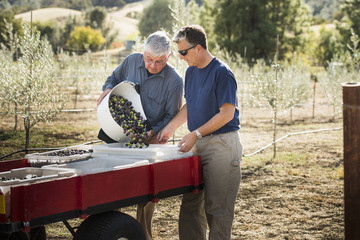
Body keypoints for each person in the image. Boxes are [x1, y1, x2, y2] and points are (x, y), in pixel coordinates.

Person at [157, 25, 242, 240]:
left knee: (217, 209)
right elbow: (191, 105)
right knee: (191, 205)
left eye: (183, 52)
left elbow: (226, 114)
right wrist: (169, 128)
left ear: (199, 48)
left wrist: (196, 133)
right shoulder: (191, 71)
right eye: (179, 52)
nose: (181, 57)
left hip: (221, 145)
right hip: (198, 143)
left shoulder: (222, 73)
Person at [97, 31, 183, 240]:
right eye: (149, 59)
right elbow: (114, 77)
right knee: (111, 182)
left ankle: (144, 235)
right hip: (116, 132)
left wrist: (152, 132)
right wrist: (107, 89)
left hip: (149, 142)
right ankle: (111, 227)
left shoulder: (174, 82)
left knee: (145, 193)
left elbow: (171, 116)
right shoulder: (131, 61)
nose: (153, 65)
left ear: (169, 57)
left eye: (159, 61)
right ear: (142, 52)